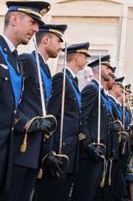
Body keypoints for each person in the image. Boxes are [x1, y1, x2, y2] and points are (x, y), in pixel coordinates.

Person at [0, 0, 49, 200]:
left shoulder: (17, 61)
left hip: (5, 155)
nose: (36, 29)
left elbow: (11, 106)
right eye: (33, 22)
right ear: (14, 18)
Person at [7, 23, 63, 201]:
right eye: (58, 41)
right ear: (46, 40)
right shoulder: (28, 61)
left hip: (36, 148)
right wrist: (27, 123)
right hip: (21, 143)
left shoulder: (45, 70)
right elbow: (12, 97)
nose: (61, 46)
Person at [35, 42, 90, 201]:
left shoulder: (73, 82)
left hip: (71, 151)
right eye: (85, 56)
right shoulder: (61, 78)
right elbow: (52, 115)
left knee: (63, 193)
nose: (87, 60)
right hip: (60, 148)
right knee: (51, 194)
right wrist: (48, 152)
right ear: (77, 57)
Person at [71, 54, 115, 201]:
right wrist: (88, 145)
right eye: (107, 68)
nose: (111, 72)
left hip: (99, 152)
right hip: (89, 153)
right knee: (84, 194)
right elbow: (81, 119)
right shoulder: (91, 89)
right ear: (97, 69)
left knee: (93, 194)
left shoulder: (100, 93)